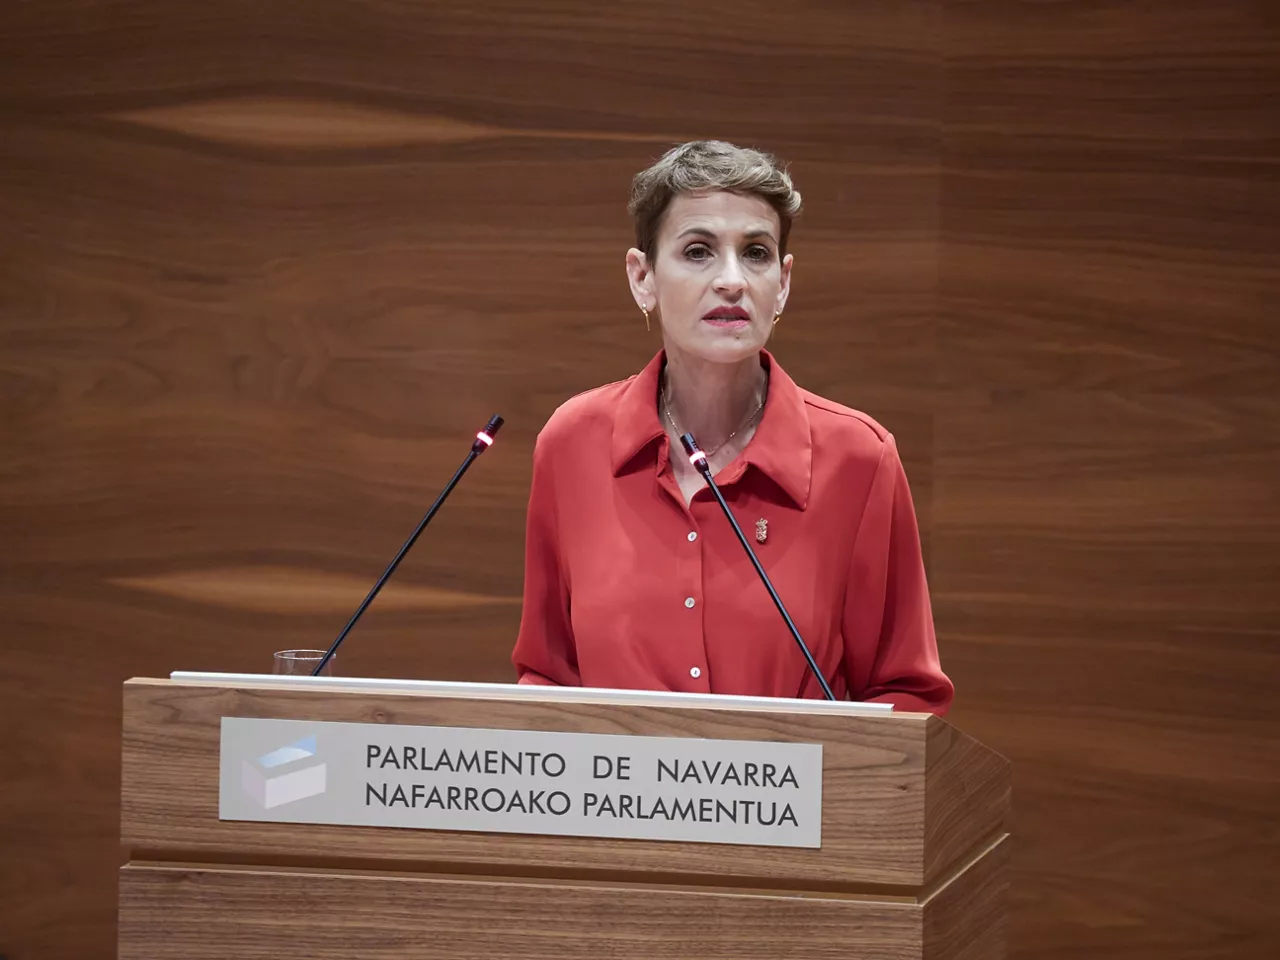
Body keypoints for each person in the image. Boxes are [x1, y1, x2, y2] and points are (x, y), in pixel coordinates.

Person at [511, 140, 953, 714]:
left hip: (792, 806)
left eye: (756, 253)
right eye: (698, 251)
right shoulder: (572, 444)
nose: (731, 280)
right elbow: (547, 679)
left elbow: (907, 696)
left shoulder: (859, 459)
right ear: (642, 277)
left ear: (784, 283)